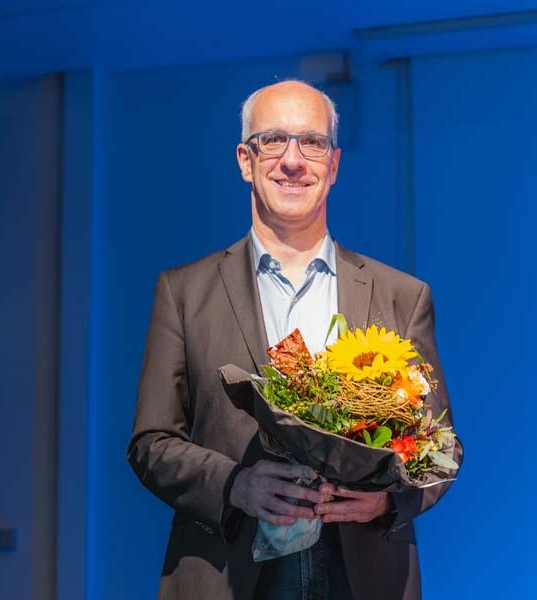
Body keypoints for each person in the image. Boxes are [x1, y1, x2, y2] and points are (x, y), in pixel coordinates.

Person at [127, 80, 462, 600]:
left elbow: (439, 449)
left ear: (334, 164)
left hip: (362, 575)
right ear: (245, 160)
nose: (292, 160)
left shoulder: (402, 296)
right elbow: (151, 443)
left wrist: (387, 500)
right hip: (230, 572)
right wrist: (236, 485)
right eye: (273, 141)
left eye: (312, 142)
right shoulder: (185, 292)